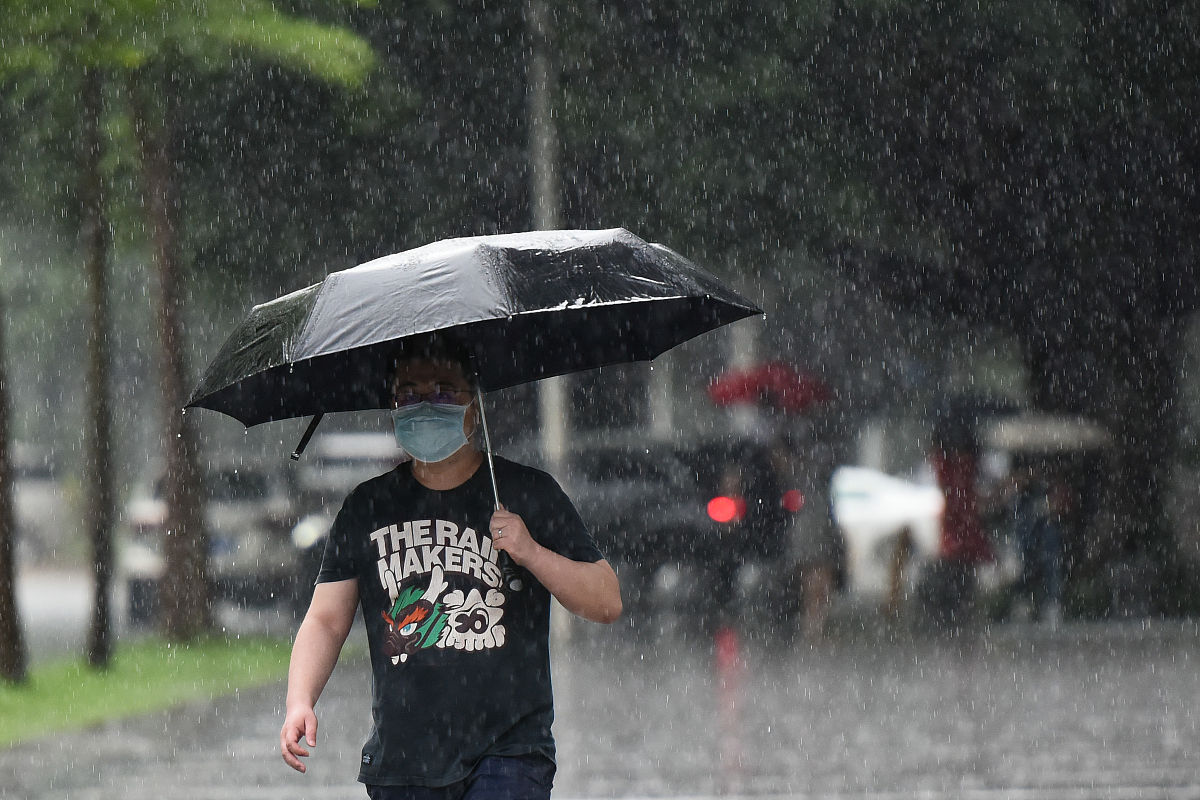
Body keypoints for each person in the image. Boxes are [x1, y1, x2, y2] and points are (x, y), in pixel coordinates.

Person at [279, 336, 622, 799]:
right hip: (403, 761)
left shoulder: (529, 493)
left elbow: (606, 600)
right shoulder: (366, 506)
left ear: (473, 407)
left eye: (443, 391)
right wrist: (300, 700)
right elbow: (325, 619)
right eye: (409, 394)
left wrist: (532, 552)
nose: (425, 405)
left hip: (509, 751)